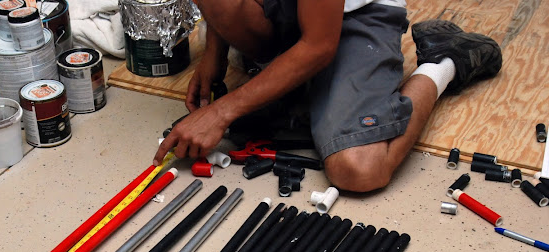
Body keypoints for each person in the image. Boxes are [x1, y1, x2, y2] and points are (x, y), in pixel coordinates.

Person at [152, 0, 502, 193]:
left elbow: (319, 46)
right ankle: (299, 82)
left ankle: (444, 61)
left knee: (359, 170)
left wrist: (220, 113)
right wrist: (213, 55)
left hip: (354, 15)